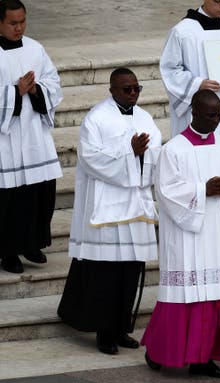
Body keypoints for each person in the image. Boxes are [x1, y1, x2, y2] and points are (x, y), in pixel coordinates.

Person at [141, 90, 220, 379]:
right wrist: (203, 190)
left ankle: (206, 359)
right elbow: (165, 191)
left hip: (219, 233)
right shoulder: (174, 149)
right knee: (186, 300)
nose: (215, 120)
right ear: (194, 112)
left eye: (218, 115)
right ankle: (158, 351)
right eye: (209, 115)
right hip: (187, 235)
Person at [57, 68, 161, 355]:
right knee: (107, 273)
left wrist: (142, 153)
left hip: (135, 203)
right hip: (108, 206)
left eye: (136, 88)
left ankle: (121, 327)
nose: (132, 94)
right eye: (126, 89)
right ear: (112, 89)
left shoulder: (144, 117)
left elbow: (157, 150)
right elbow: (90, 158)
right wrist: (130, 153)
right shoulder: (97, 118)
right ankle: (104, 332)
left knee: (130, 270)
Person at [0, 0, 62, 274]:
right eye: (13, 23)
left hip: (35, 135)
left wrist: (38, 89)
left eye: (22, 21)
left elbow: (54, 82)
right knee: (10, 198)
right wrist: (14, 92)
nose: (19, 27)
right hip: (7, 140)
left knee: (39, 193)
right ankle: (8, 252)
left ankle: (31, 243)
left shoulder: (36, 48)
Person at [160, 0, 220, 160]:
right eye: (218, 1)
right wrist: (198, 84)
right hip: (197, 107)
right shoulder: (182, 31)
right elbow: (170, 69)